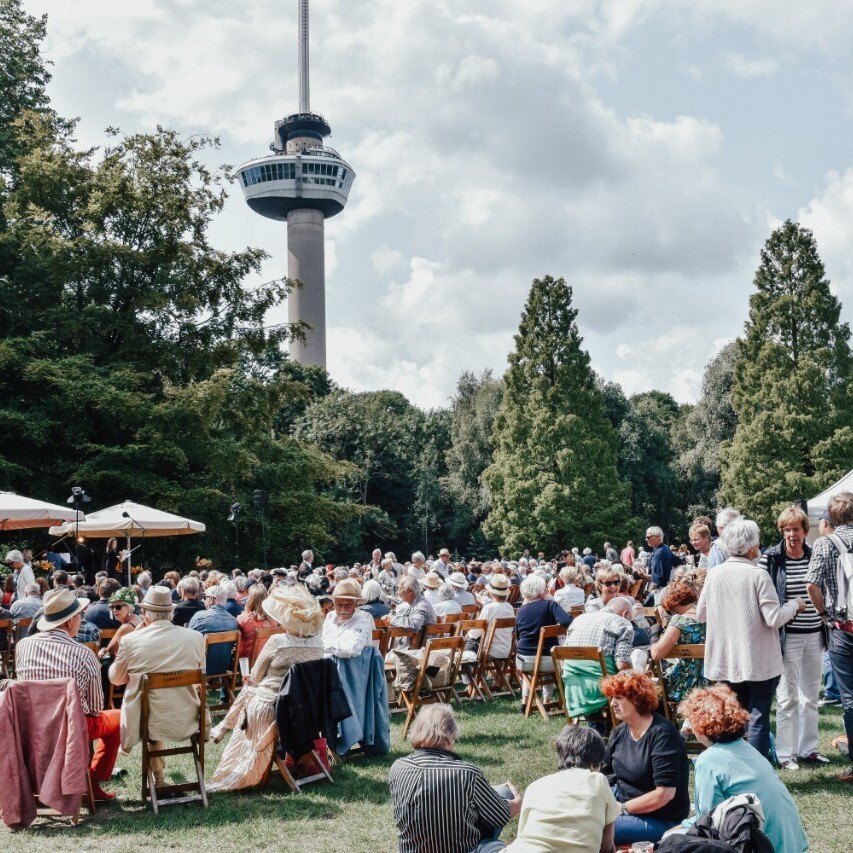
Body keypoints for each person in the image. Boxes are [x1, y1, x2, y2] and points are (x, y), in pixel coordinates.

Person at [697, 517, 803, 760]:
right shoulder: (758, 575)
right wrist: (795, 605)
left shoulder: (715, 574)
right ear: (751, 546)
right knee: (757, 715)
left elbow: (701, 613)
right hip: (757, 659)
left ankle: (736, 764)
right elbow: (774, 618)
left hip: (725, 658)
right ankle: (757, 768)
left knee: (732, 716)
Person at [208, 585, 325, 791]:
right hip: (307, 708)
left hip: (274, 706)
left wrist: (251, 679)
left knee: (249, 689)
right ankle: (223, 726)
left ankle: (224, 727)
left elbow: (256, 675)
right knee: (250, 691)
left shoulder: (278, 641)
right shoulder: (318, 644)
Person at [670, 684, 808, 851]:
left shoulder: (708, 760)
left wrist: (674, 831)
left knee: (670, 840)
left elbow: (707, 823)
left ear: (700, 724)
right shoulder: (747, 747)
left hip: (765, 846)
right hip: (793, 844)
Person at [15, 587, 121, 802]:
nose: (82, 619)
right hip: (72, 728)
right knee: (119, 718)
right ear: (71, 621)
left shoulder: (22, 647)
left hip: (32, 726)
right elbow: (93, 707)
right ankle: (92, 781)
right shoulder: (84, 654)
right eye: (80, 615)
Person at [388, 704, 521, 853]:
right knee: (504, 793)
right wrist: (517, 800)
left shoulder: (397, 767)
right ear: (450, 736)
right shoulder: (466, 773)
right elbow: (500, 815)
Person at [108, 587, 205, 787]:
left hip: (148, 720)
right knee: (160, 703)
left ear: (145, 614)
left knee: (154, 707)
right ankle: (159, 779)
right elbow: (201, 676)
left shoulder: (131, 640)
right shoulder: (195, 637)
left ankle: (158, 779)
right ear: (171, 613)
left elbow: (116, 679)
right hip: (188, 716)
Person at [758, 504, 828, 770]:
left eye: (796, 529)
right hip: (788, 636)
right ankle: (787, 753)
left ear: (804, 530)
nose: (791, 534)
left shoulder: (813, 556)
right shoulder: (772, 558)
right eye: (786, 530)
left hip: (815, 634)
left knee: (810, 696)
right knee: (787, 697)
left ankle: (808, 748)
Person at [602, 671, 690, 846]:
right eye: (612, 697)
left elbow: (664, 794)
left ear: (637, 699)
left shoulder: (662, 735)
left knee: (595, 826)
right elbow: (605, 773)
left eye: (618, 697)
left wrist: (622, 809)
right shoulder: (620, 732)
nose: (613, 703)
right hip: (623, 800)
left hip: (660, 818)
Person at [509, 725, 618, 853]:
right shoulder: (598, 780)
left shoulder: (535, 786)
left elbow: (522, 835)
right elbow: (606, 844)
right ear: (594, 763)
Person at [805, 490, 853, 782]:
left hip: (843, 628)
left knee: (849, 697)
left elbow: (812, 584)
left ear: (831, 518)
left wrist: (825, 616)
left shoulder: (825, 543)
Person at [562, 598, 633, 723]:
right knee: (631, 679)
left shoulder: (579, 619)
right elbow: (622, 665)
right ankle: (620, 727)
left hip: (573, 688)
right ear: (625, 613)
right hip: (601, 688)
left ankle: (599, 726)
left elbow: (563, 654)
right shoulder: (623, 623)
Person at [515, 575, 573, 711]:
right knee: (548, 658)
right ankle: (546, 700)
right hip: (548, 661)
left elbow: (517, 636)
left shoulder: (520, 611)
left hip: (524, 660)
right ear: (542, 590)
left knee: (531, 672)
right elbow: (567, 622)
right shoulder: (550, 605)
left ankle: (525, 701)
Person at [650, 581, 706, 704]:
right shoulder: (710, 616)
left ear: (673, 603)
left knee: (654, 689)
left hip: (687, 682)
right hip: (712, 680)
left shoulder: (680, 620)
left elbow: (656, 654)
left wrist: (654, 636)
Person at [188, 584, 240, 676]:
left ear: (211, 599)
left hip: (201, 667)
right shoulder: (233, 621)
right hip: (223, 666)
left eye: (205, 598)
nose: (204, 601)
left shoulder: (200, 617)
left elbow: (188, 642)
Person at [322, 578, 374, 658]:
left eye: (348, 605)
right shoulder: (330, 618)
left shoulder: (364, 620)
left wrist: (326, 645)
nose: (343, 609)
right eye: (339, 605)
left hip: (349, 668)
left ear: (355, 604)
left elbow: (351, 650)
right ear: (334, 604)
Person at [388, 575, 436, 647]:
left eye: (401, 589)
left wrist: (392, 619)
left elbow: (415, 624)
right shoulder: (416, 603)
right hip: (416, 645)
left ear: (410, 591)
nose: (399, 592)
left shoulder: (422, 605)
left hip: (419, 650)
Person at [236, 583, 277, 664]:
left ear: (250, 599)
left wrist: (246, 611)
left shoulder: (243, 619)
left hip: (247, 662)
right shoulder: (274, 620)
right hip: (268, 661)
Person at [99, 587, 143, 659]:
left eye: (118, 607)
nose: (114, 610)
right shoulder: (138, 617)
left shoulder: (126, 627)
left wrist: (103, 650)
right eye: (112, 607)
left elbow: (110, 651)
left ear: (129, 607)